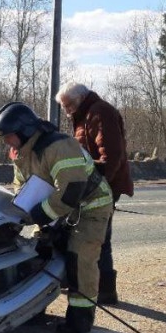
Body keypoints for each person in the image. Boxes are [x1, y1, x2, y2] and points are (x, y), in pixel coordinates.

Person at [0, 102, 114, 333]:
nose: (7, 142)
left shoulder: (59, 146)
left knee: (80, 259)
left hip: (90, 208)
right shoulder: (21, 152)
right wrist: (21, 210)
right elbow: (22, 185)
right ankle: (34, 310)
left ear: (24, 131)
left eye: (9, 136)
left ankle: (80, 320)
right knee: (38, 253)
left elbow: (71, 191)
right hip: (59, 209)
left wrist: (38, 215)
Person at [55, 82, 133, 304]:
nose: (66, 111)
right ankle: (91, 285)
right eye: (64, 107)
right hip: (92, 184)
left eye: (68, 105)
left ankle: (106, 291)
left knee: (98, 239)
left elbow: (111, 156)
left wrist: (94, 186)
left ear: (81, 98)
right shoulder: (85, 114)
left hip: (102, 186)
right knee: (87, 235)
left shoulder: (100, 112)